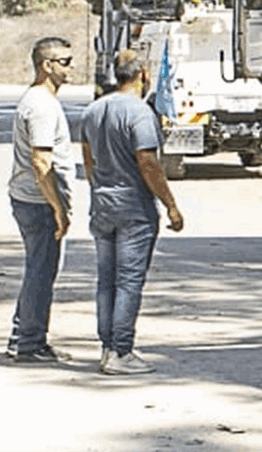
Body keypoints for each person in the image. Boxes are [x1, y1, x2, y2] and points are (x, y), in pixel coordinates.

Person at [79, 49, 184, 375]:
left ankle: (107, 345)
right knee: (129, 281)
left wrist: (100, 190)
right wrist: (170, 204)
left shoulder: (94, 111)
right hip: (134, 207)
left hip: (103, 204)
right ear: (143, 75)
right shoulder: (140, 113)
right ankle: (121, 351)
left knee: (106, 280)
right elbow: (148, 163)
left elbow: (89, 159)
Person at [8, 36, 78, 363]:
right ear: (46, 66)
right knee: (41, 271)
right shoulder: (40, 105)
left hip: (34, 201)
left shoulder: (41, 100)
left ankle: (22, 336)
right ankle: (29, 343)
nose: (71, 66)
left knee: (40, 268)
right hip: (37, 203)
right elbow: (41, 162)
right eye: (64, 61)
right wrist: (57, 207)